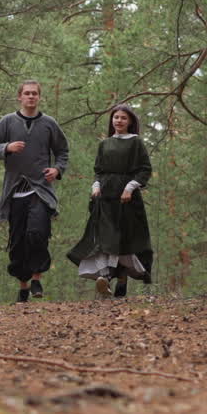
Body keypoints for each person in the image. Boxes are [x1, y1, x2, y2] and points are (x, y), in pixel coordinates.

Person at [0, 80, 69, 302]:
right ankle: (22, 286)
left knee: (38, 233)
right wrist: (7, 148)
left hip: (40, 190)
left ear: (39, 97)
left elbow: (62, 151)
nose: (31, 97)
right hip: (14, 191)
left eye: (35, 94)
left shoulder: (49, 124)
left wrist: (57, 169)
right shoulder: (8, 122)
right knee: (17, 240)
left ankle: (36, 279)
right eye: (27, 93)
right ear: (20, 97)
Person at [67, 105, 153, 298]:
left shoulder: (136, 143)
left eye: (123, 118)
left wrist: (130, 187)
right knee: (105, 238)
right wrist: (96, 185)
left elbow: (145, 169)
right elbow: (99, 170)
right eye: (116, 117)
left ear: (130, 121)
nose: (119, 121)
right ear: (111, 120)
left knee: (124, 240)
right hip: (105, 198)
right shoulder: (104, 144)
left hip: (127, 199)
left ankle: (122, 282)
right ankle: (104, 278)